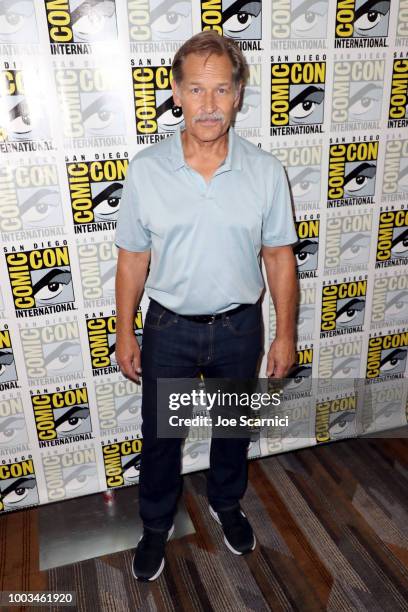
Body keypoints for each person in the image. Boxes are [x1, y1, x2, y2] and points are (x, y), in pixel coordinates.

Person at [115, 31, 298, 582]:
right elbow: (131, 261)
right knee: (162, 436)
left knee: (232, 430)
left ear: (238, 94)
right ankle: (154, 525)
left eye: (222, 89)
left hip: (240, 328)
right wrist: (125, 333)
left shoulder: (265, 172)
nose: (210, 104)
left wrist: (285, 334)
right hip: (169, 330)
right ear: (176, 93)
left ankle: (227, 503)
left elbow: (280, 258)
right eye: (196, 89)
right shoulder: (147, 169)